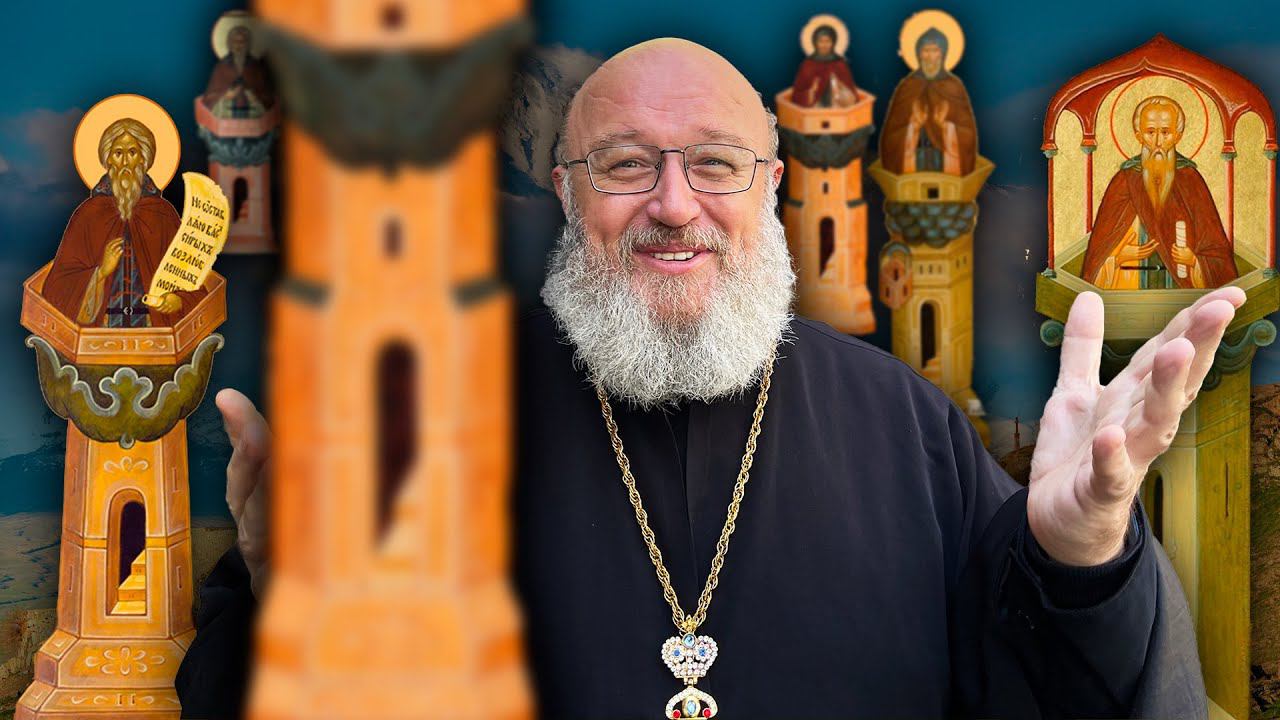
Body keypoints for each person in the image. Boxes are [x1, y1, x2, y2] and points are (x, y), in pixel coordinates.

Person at [177, 38, 1231, 718]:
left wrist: (1082, 557)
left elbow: (1053, 685)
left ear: (769, 187)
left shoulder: (903, 425)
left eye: (716, 164)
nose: (674, 204)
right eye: (626, 164)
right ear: (567, 194)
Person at [43, 118, 202, 327]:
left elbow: (192, 278)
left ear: (143, 159)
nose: (126, 162)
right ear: (108, 159)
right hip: (101, 331)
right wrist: (101, 272)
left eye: (132, 152)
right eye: (118, 153)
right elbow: (57, 286)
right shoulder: (88, 214)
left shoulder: (163, 214)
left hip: (153, 330)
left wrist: (178, 300)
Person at [1082, 96, 1237, 289]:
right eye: (1150, 132)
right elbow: (1096, 261)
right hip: (1129, 293)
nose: (1157, 142)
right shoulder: (1124, 181)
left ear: (1177, 135)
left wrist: (1194, 261)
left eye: (1165, 132)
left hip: (1182, 293)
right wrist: (1119, 257)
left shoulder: (1191, 180)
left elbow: (1216, 253)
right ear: (1138, 135)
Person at [879, 27, 978, 176]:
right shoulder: (908, 86)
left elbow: (968, 135)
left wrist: (946, 127)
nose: (930, 56)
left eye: (935, 50)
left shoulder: (954, 87)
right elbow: (890, 136)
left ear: (943, 53)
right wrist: (913, 127)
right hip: (914, 160)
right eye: (926, 50)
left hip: (945, 162)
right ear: (918, 54)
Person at [202, 25, 275, 119]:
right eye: (235, 42)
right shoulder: (221, 67)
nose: (239, 45)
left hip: (253, 118)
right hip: (227, 117)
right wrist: (226, 95)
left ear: (248, 44)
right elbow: (209, 98)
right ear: (229, 44)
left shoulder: (255, 67)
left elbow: (268, 98)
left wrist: (253, 96)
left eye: (242, 42)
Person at [790, 25, 858, 108]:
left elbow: (852, 94)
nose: (824, 45)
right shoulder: (808, 64)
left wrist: (840, 86)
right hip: (814, 109)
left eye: (827, 41)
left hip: (837, 107)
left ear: (833, 42)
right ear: (815, 42)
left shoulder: (840, 64)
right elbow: (797, 94)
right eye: (821, 41)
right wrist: (811, 92)